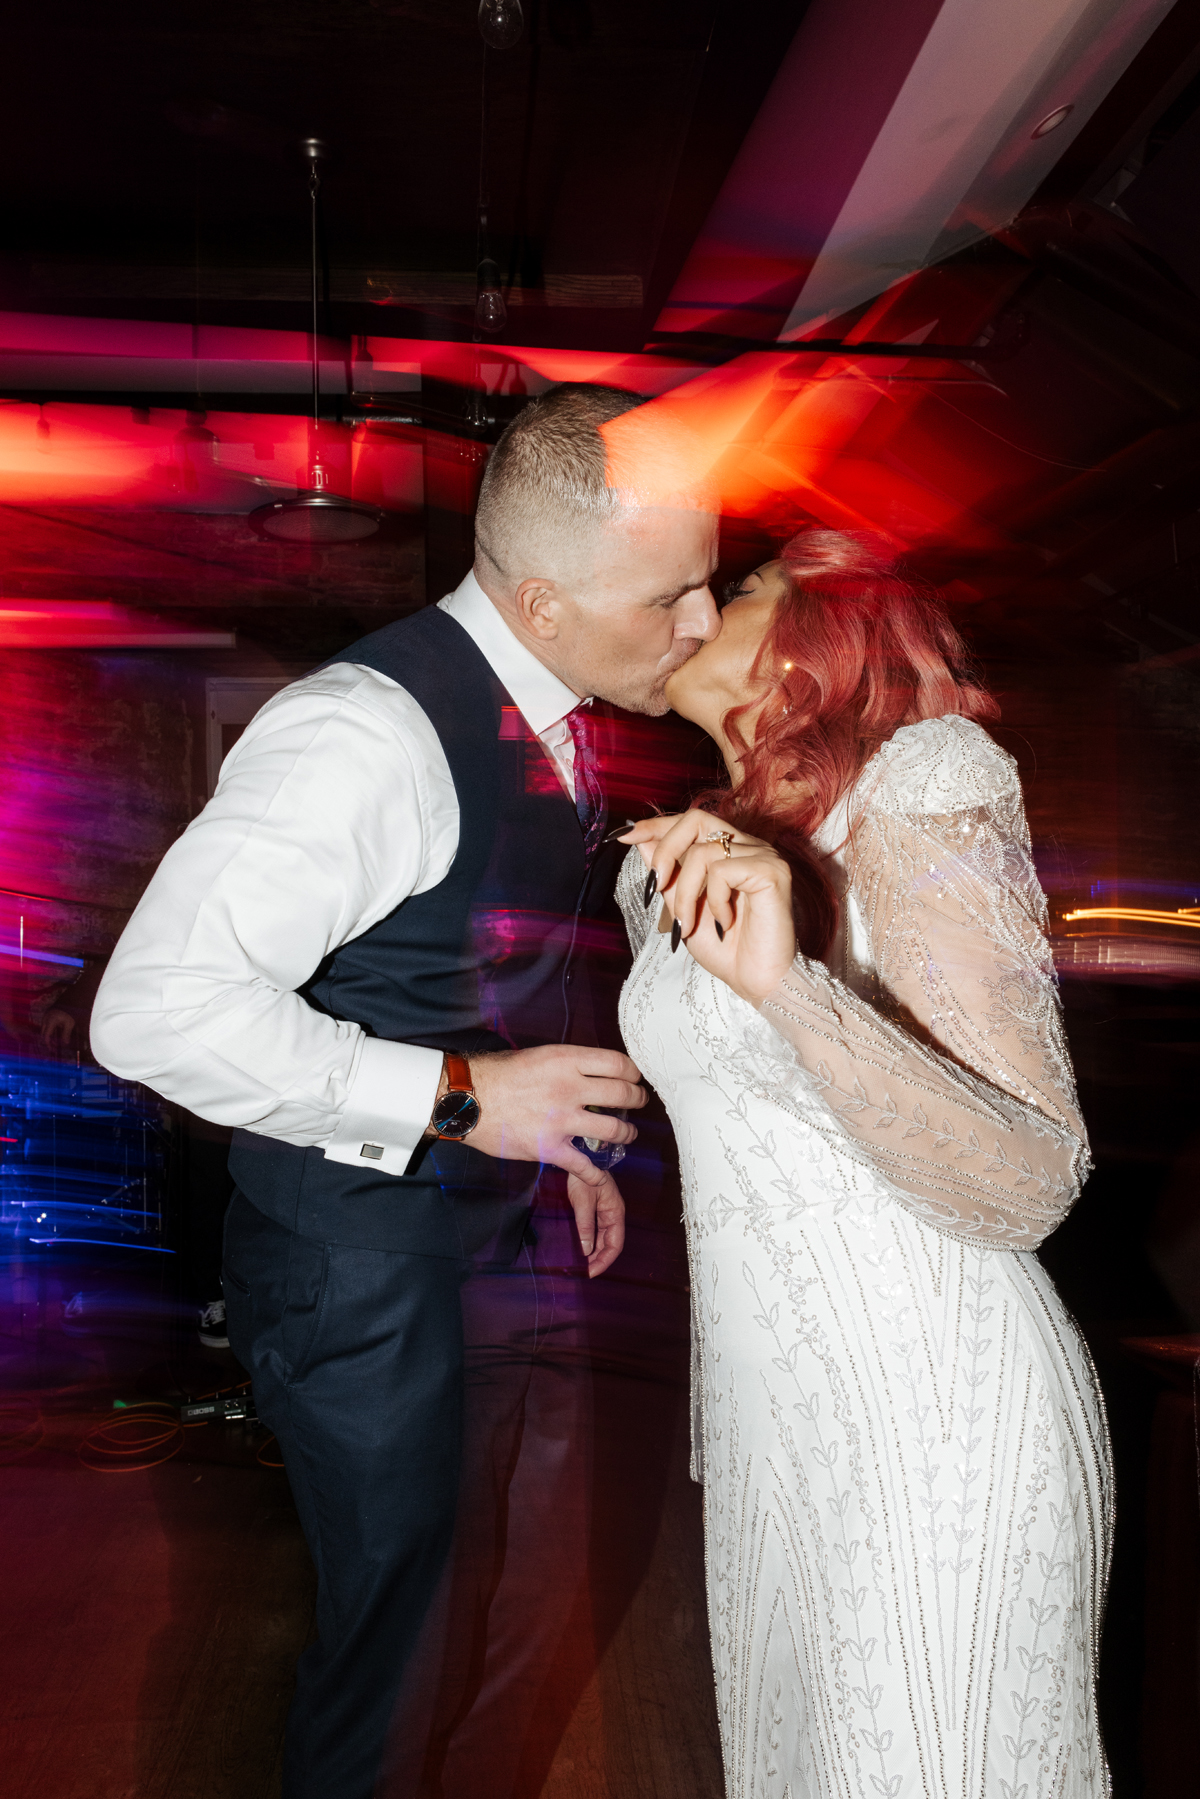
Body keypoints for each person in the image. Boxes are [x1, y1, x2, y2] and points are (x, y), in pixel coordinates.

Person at [90, 382, 721, 1799]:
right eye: (670, 595)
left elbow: (464, 965)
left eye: (709, 579)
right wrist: (464, 1101)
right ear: (545, 602)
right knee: (400, 1669)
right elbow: (154, 1008)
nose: (703, 620)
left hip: (484, 1243)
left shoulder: (551, 709)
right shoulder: (364, 732)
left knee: (501, 1624)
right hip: (361, 1271)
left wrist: (549, 1146)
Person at [614, 528, 1113, 1799]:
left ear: (820, 632)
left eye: (733, 590)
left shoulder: (922, 777)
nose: (691, 610)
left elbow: (1032, 1171)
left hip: (933, 1414)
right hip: (776, 1431)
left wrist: (790, 989)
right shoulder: (697, 847)